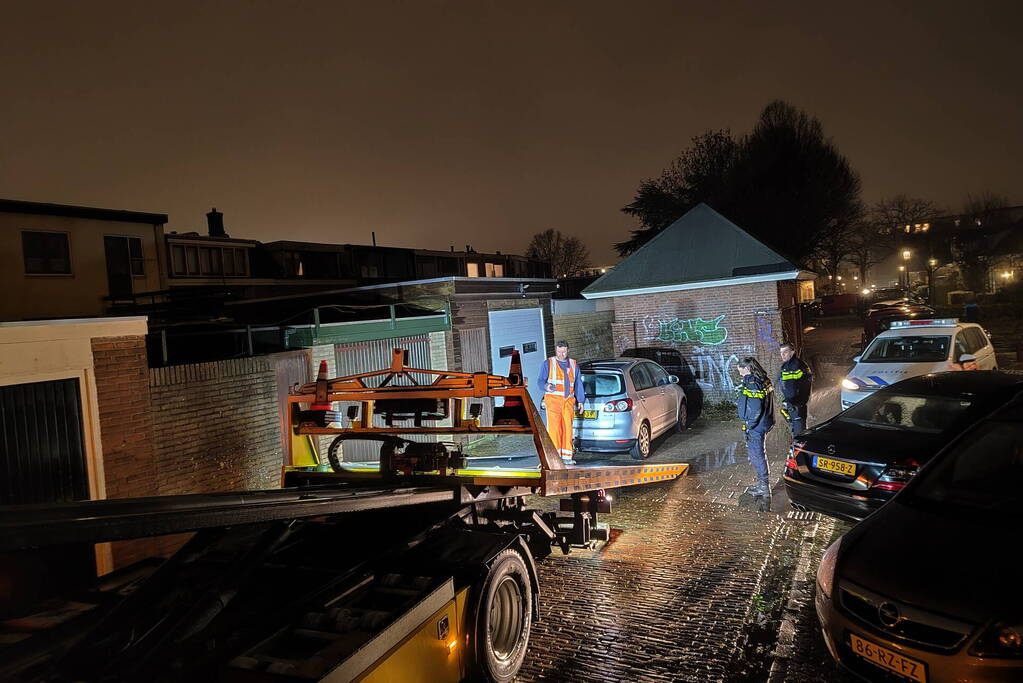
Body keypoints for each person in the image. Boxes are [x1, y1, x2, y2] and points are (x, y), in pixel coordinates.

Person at [538, 340, 585, 465]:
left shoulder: (574, 365)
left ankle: (567, 457)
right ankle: (555, 456)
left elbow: (578, 384)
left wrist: (581, 400)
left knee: (568, 429)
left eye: (564, 352)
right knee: (554, 429)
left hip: (568, 402)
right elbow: (540, 381)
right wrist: (546, 386)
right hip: (553, 401)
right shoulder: (548, 363)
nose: (561, 355)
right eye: (559, 352)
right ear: (556, 350)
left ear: (568, 350)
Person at [737, 357, 775, 501]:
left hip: (755, 426)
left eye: (740, 370)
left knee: (757, 454)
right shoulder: (763, 379)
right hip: (764, 422)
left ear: (747, 368)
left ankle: (763, 486)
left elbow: (755, 408)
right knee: (759, 453)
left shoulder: (752, 383)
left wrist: (749, 425)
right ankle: (762, 483)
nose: (740, 374)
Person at [778, 342, 813, 438]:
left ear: (792, 352)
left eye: (785, 352)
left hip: (797, 407)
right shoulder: (787, 366)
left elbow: (801, 386)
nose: (782, 355)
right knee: (796, 431)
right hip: (793, 405)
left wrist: (795, 403)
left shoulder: (795, 366)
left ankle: (801, 452)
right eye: (781, 352)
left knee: (799, 435)